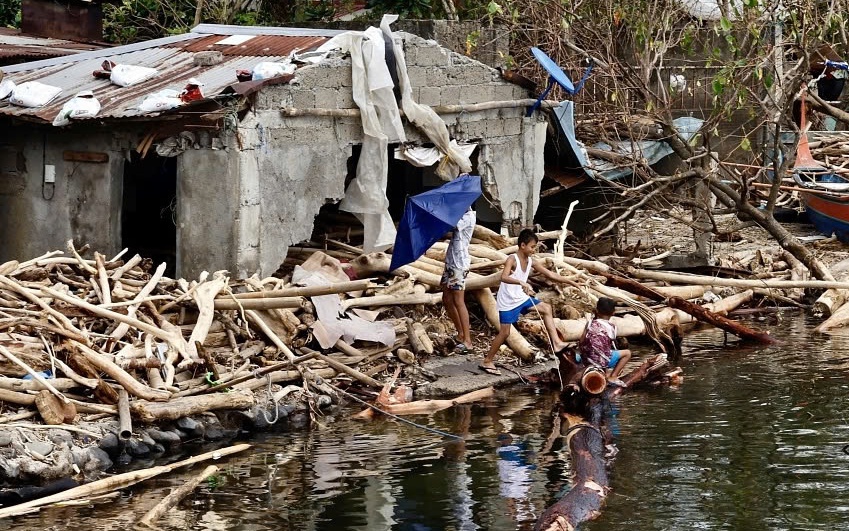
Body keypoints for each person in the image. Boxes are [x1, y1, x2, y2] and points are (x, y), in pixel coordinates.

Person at [479, 228, 571, 376]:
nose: (534, 250)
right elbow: (503, 277)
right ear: (523, 245)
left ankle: (556, 343)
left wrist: (571, 281)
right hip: (508, 300)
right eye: (532, 247)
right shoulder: (512, 259)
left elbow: (549, 274)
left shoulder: (531, 261)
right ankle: (487, 361)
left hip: (520, 298)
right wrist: (521, 283)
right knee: (505, 333)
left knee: (546, 308)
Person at [441, 206, 476, 353]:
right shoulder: (460, 213)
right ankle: (460, 333)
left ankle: (468, 341)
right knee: (446, 299)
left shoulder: (468, 216)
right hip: (451, 261)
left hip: (459, 265)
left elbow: (452, 225)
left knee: (458, 300)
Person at [577, 296, 632, 387]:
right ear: (613, 312)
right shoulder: (612, 327)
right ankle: (613, 376)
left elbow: (581, 341)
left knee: (584, 353)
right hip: (601, 361)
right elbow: (606, 346)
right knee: (627, 353)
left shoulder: (589, 323)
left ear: (596, 310)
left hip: (586, 360)